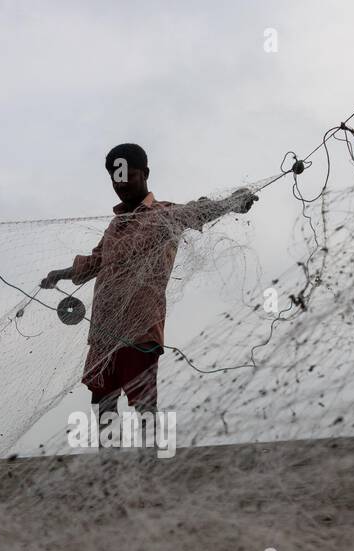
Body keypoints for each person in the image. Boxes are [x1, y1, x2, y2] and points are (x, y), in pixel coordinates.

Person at [40, 143, 256, 433]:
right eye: (116, 179)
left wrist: (232, 202)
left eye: (128, 175)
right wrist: (61, 273)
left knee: (144, 404)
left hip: (140, 328)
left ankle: (152, 464)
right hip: (104, 330)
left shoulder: (165, 214)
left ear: (145, 173)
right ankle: (108, 470)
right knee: (103, 402)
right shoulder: (115, 226)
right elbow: (96, 262)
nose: (122, 184)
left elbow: (199, 212)